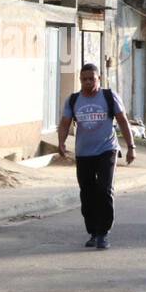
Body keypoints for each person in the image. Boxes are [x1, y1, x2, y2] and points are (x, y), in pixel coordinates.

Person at [57, 63, 136, 250]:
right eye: (84, 79)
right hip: (84, 153)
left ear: (98, 78)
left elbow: (123, 121)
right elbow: (64, 123)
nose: (88, 82)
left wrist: (131, 147)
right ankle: (93, 232)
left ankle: (103, 233)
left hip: (107, 150)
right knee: (87, 192)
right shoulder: (73, 100)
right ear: (80, 80)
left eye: (91, 78)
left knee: (105, 189)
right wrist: (61, 143)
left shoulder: (109, 96)